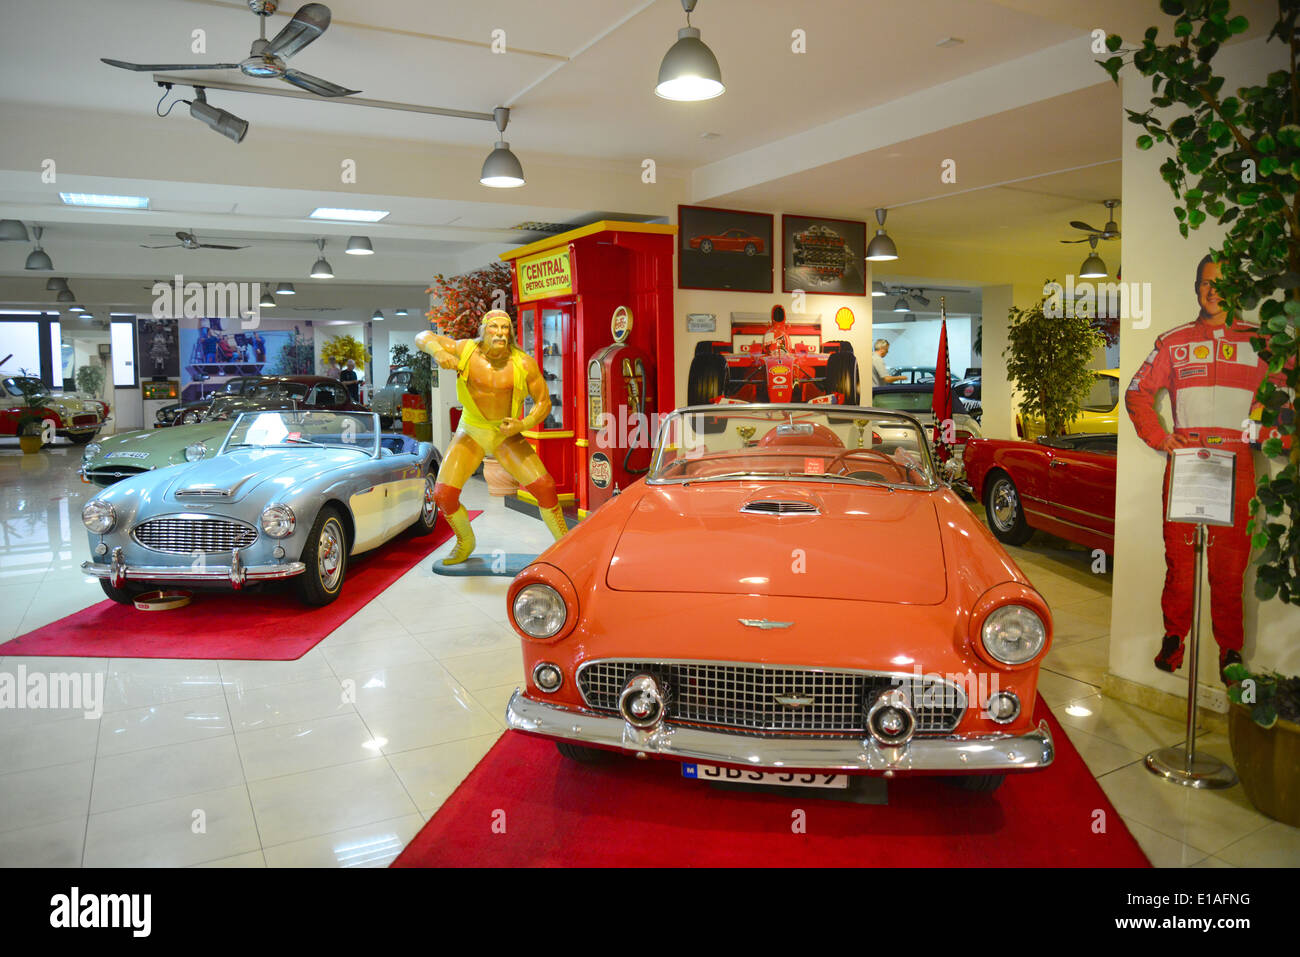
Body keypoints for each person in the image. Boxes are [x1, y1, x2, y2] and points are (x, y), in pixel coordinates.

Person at [1126, 254, 1285, 682]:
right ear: (1196, 287)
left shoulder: (1262, 342)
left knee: (1230, 568)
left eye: (1221, 283)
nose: (1212, 291)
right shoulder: (1173, 342)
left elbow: (1285, 397)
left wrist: (1269, 435)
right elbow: (1137, 393)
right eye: (1204, 283)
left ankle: (1229, 651)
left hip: (1238, 464)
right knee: (1179, 562)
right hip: (1187, 464)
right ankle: (1174, 638)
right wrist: (1161, 438)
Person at [416, 310, 567, 563]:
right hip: (471, 431)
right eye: (494, 327)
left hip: (505, 434)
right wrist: (438, 351)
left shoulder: (523, 363)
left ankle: (566, 546)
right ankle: (465, 541)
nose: (500, 333)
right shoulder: (464, 349)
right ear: (483, 329)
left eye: (505, 328)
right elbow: (422, 336)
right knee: (443, 495)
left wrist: (523, 424)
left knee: (546, 488)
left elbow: (543, 403)